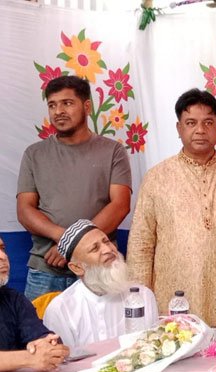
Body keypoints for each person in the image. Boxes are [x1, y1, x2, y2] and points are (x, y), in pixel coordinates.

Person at [128, 88, 216, 326]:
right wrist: (141, 302)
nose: (200, 130)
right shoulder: (157, 177)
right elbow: (141, 243)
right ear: (179, 128)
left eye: (208, 123)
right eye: (191, 123)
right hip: (171, 304)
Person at [17, 75, 132, 301]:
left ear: (87, 106)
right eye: (52, 105)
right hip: (46, 269)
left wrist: (74, 244)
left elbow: (120, 205)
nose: (58, 111)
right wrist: (67, 241)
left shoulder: (113, 151)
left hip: (99, 268)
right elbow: (24, 210)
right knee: (39, 325)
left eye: (67, 103)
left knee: (107, 325)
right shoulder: (34, 154)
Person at [43, 220, 158, 349]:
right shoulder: (61, 310)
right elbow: (62, 359)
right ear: (77, 268)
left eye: (106, 241)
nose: (108, 249)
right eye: (95, 248)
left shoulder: (143, 296)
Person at [0, 235, 70, 372]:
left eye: (3, 249)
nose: (3, 256)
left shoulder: (13, 299)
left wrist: (49, 345)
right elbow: (32, 358)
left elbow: (40, 335)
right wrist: (28, 358)